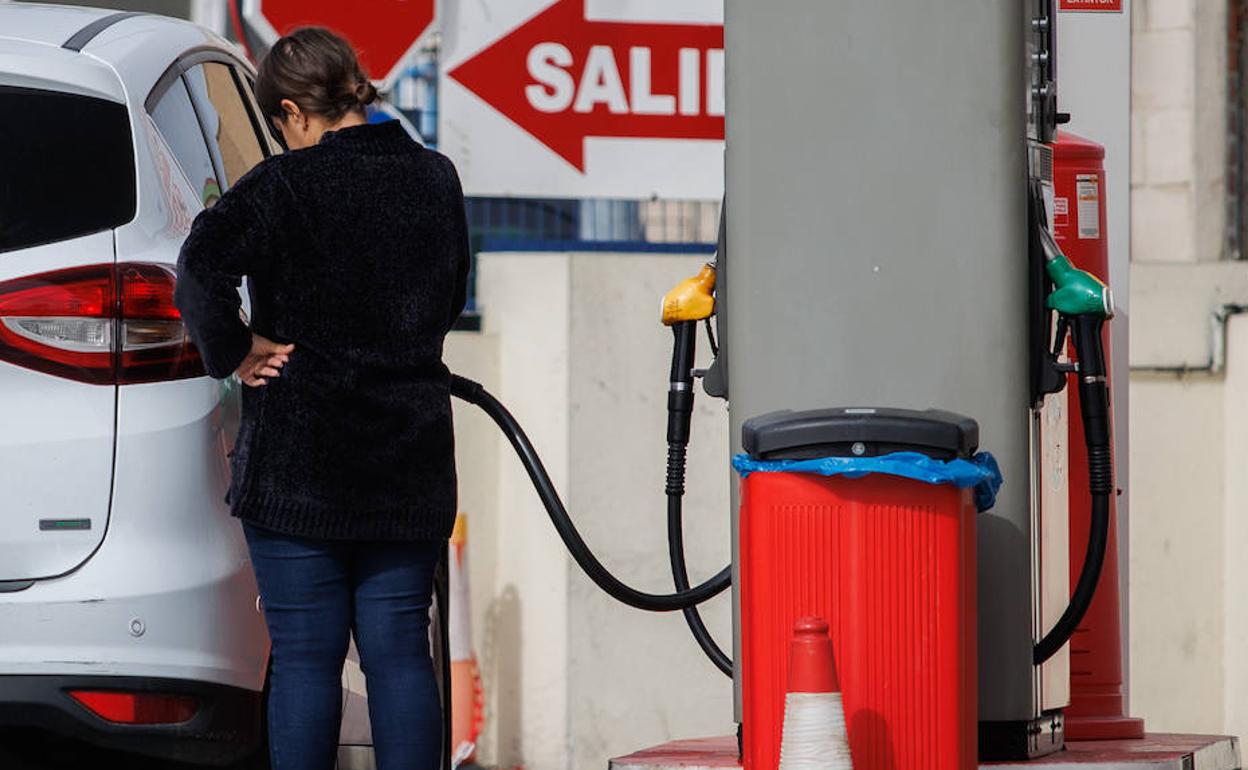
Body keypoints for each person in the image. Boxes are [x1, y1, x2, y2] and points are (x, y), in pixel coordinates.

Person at [174, 26, 469, 770]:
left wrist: (236, 350)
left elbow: (197, 269)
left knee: (306, 659)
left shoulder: (283, 186)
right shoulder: (435, 178)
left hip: (301, 463)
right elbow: (448, 296)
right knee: (401, 653)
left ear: (292, 115)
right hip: (408, 454)